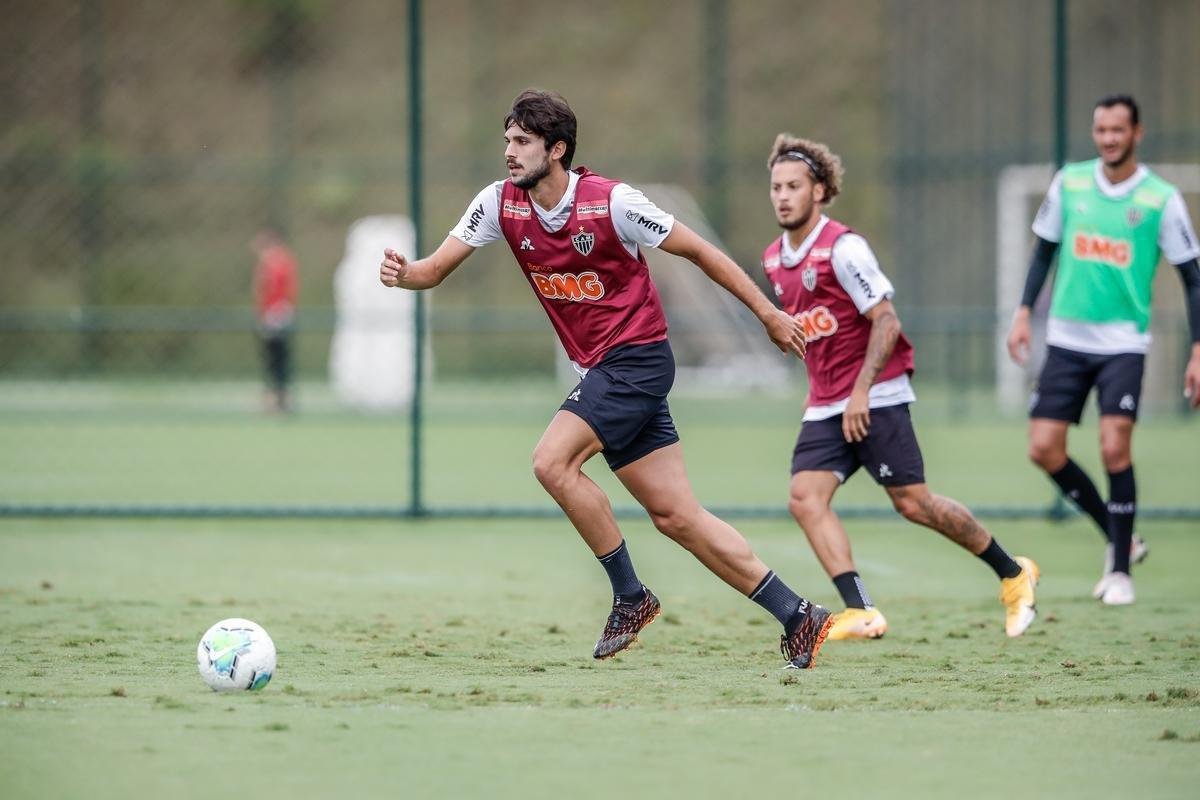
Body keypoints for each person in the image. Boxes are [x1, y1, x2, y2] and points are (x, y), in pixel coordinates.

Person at [380, 89, 834, 668]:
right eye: (507, 142)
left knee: (551, 462)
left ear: (558, 149)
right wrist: (406, 275)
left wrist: (769, 314)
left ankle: (629, 595)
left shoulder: (613, 203)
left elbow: (699, 251)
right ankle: (798, 615)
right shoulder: (499, 204)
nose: (510, 153)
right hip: (608, 371)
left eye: (522, 143)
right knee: (677, 518)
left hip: (636, 361)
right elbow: (434, 270)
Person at [762, 133, 1040, 641]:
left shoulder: (844, 249)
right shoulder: (773, 261)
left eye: (794, 186)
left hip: (876, 396)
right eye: (776, 186)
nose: (782, 195)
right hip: (826, 405)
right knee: (805, 499)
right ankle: (862, 610)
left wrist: (862, 392)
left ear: (819, 191)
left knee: (913, 503)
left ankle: (1013, 573)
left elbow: (886, 322)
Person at [1007, 94, 1200, 606]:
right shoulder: (1070, 182)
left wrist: (1198, 349)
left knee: (1114, 447)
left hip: (1123, 344)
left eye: (1118, 130)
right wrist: (1024, 311)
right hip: (1066, 340)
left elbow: (1192, 278)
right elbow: (1044, 249)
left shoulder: (1160, 198)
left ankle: (1119, 571)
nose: (1109, 138)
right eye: (1101, 130)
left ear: (1137, 133)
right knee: (1043, 449)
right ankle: (1123, 538)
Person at [252, 228, 299, 413]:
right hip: (278, 312)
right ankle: (277, 398)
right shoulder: (283, 262)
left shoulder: (276, 264)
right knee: (276, 359)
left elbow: (271, 292)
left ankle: (278, 400)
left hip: (275, 314)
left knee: (276, 359)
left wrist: (266, 315)